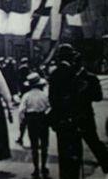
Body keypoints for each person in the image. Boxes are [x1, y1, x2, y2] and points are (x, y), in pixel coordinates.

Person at [48, 43, 82, 179]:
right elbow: (77, 98)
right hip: (73, 119)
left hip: (60, 120)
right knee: (75, 153)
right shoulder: (74, 73)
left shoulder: (54, 73)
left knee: (63, 153)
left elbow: (52, 98)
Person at [72, 52, 108, 175]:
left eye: (75, 62)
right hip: (73, 118)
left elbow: (98, 96)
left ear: (80, 63)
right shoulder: (69, 77)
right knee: (74, 152)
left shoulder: (90, 78)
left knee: (94, 143)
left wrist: (85, 91)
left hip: (86, 116)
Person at [18, 72, 51, 179]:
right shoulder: (45, 95)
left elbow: (21, 111)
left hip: (31, 120)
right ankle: (44, 166)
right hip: (42, 119)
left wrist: (22, 121)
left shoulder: (26, 96)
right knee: (44, 144)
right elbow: (50, 107)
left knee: (34, 146)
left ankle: (36, 168)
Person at [16, 56, 32, 146]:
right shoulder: (28, 70)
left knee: (23, 118)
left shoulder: (21, 70)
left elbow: (19, 82)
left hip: (24, 95)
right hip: (28, 93)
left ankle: (21, 137)